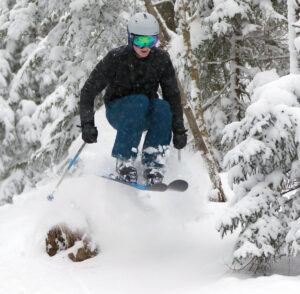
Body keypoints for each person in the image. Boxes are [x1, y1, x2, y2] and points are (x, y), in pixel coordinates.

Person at [80, 12, 187, 185]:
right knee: (140, 101)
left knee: (161, 107)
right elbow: (88, 91)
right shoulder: (116, 58)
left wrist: (179, 129)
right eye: (140, 41)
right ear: (130, 39)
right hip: (118, 111)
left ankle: (154, 165)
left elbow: (172, 95)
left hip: (145, 112)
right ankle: (124, 161)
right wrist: (87, 124)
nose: (146, 47)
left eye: (151, 41)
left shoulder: (160, 59)